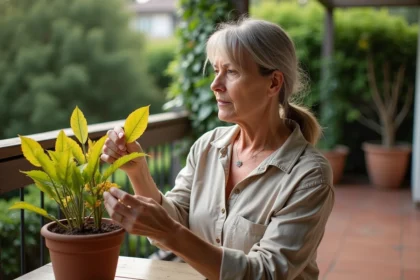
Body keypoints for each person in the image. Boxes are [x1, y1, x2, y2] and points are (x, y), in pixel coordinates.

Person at [101, 18, 334, 280]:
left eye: (231, 72)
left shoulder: (309, 175)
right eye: (215, 71)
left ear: (273, 83)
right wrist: (138, 172)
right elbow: (174, 222)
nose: (215, 84)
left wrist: (169, 232)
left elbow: (267, 274)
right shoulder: (207, 147)